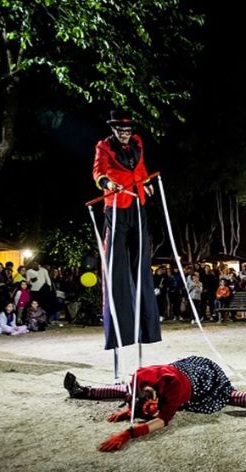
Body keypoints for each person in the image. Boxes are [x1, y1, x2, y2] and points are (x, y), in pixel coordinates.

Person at [63, 356, 246, 453]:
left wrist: (128, 433)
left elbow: (162, 421)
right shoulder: (137, 379)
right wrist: (129, 410)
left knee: (225, 395)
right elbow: (130, 394)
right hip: (182, 367)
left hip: (200, 380)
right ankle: (83, 392)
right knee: (119, 389)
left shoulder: (172, 390)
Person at [92, 109, 161, 350]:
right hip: (116, 204)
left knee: (141, 264)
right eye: (120, 131)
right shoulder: (104, 146)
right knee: (117, 265)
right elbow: (97, 172)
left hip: (137, 203)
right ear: (113, 130)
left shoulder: (138, 144)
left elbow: (140, 169)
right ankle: (119, 330)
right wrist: (108, 183)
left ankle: (147, 328)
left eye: (127, 131)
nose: (124, 135)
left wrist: (147, 183)